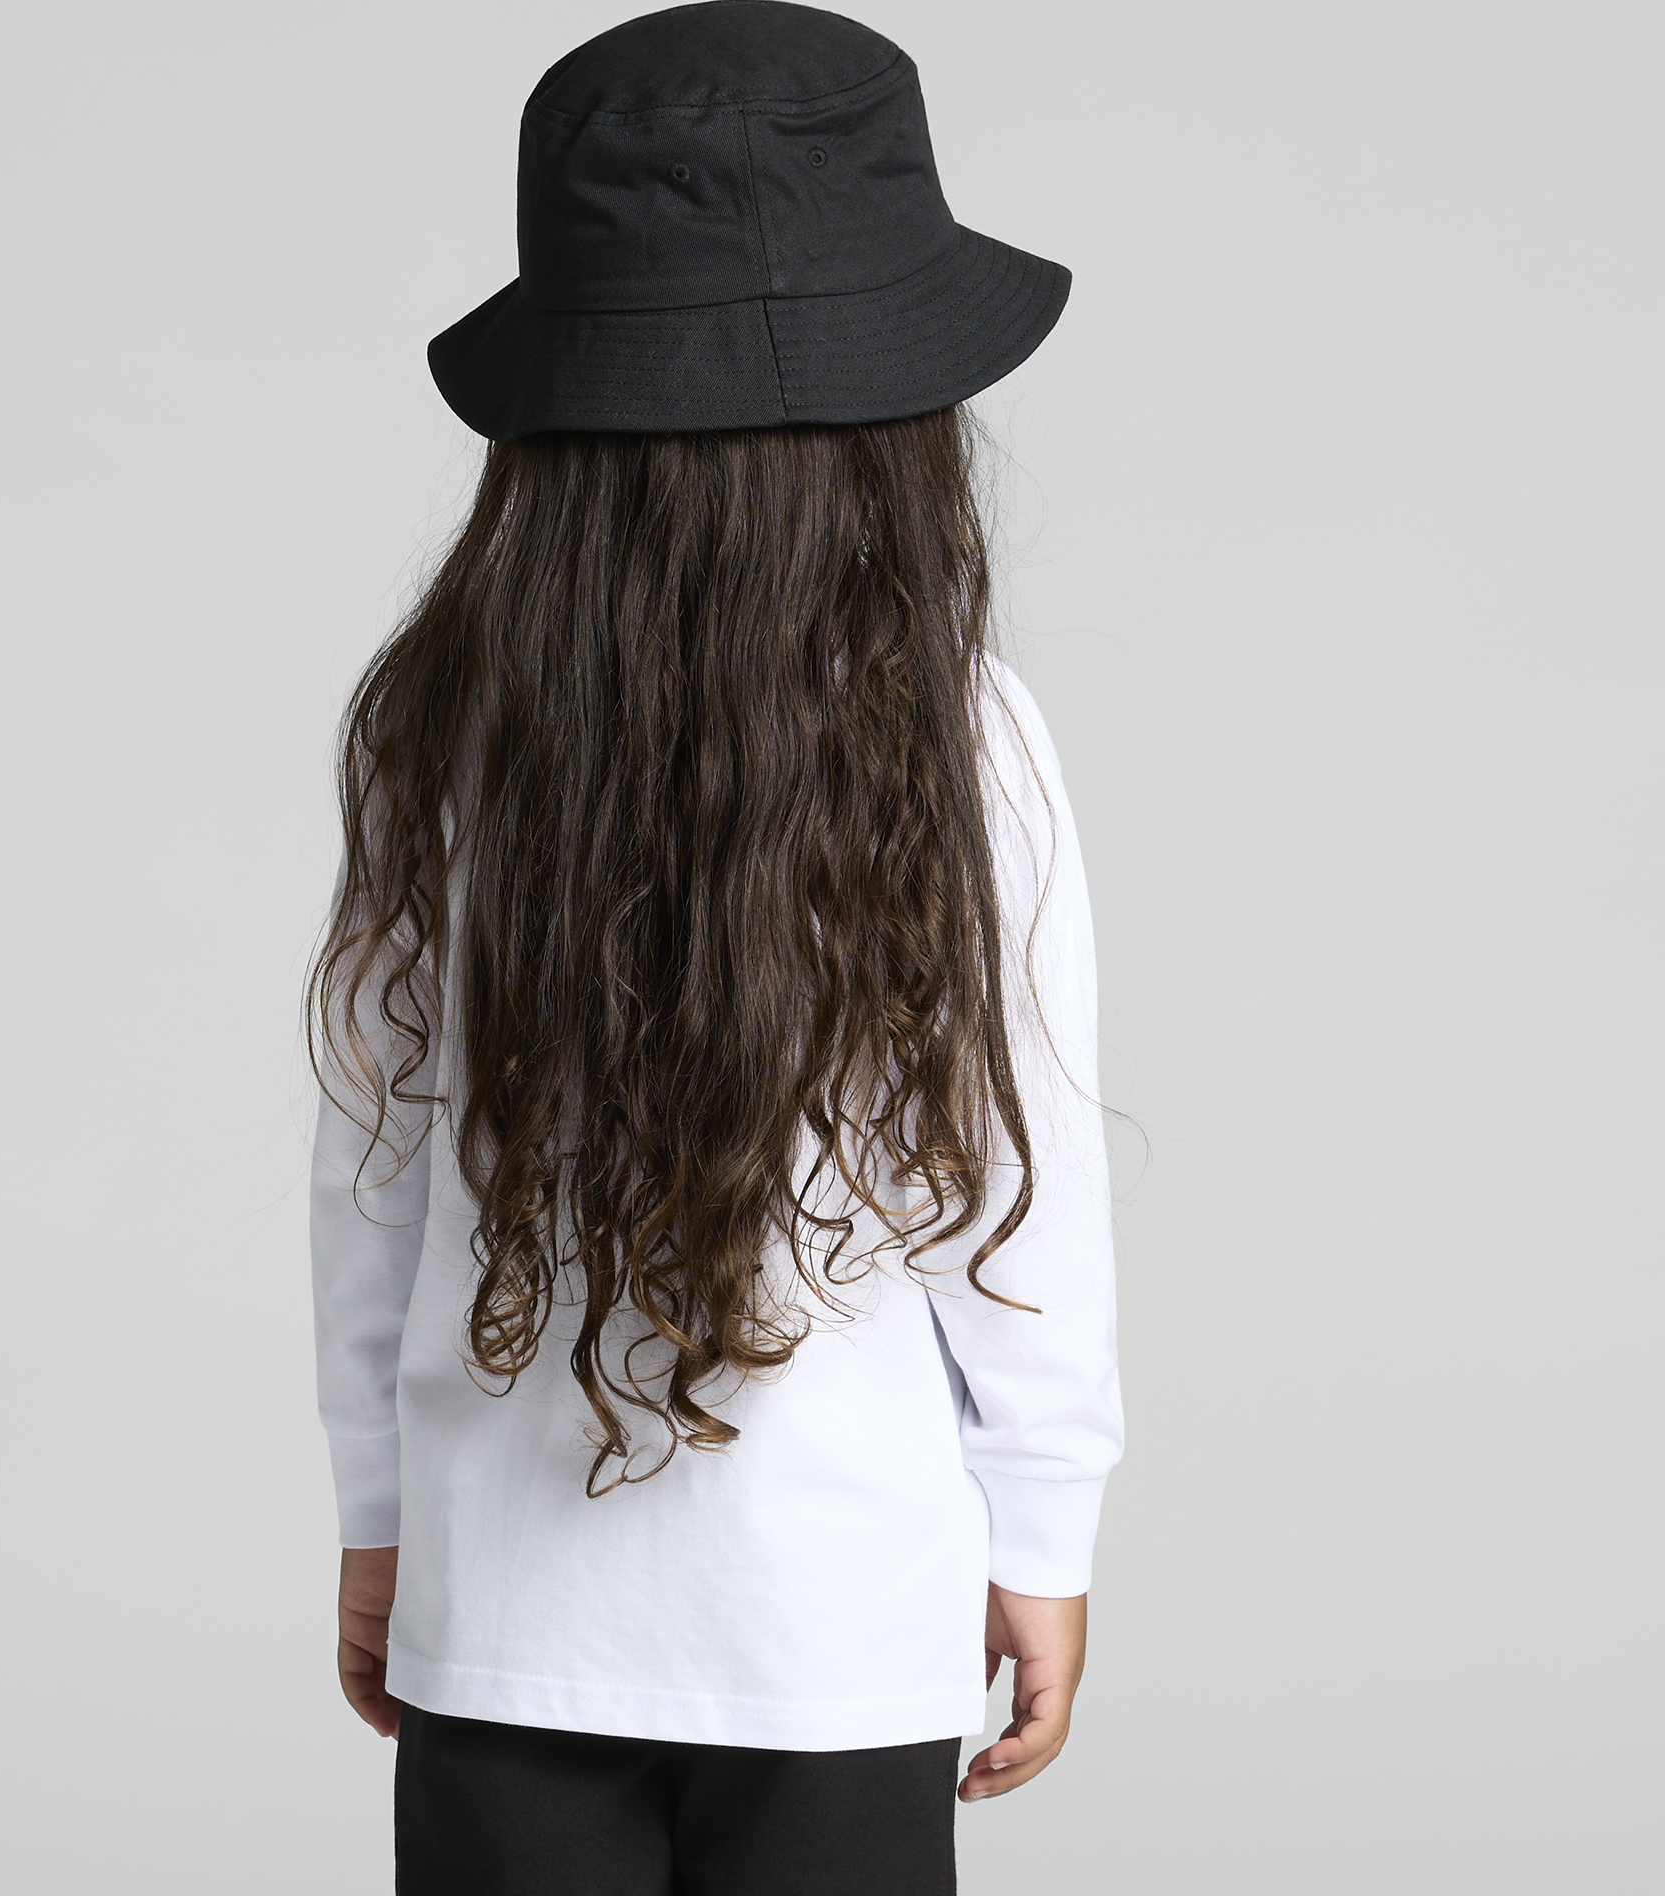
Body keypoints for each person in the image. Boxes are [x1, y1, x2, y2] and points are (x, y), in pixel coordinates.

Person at [308, 6, 1123, 1891]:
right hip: (841, 1618)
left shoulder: (454, 727)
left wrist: (379, 1505)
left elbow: (375, 1158)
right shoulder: (963, 737)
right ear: (900, 412)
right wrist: (1043, 1530)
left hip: (504, 1614)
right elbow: (1027, 1175)